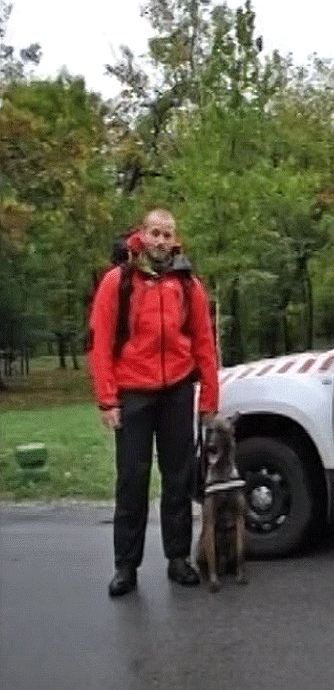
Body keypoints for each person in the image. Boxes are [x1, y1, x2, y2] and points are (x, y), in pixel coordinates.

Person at [88, 208, 219, 597]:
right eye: (154, 234)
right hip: (133, 393)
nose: (161, 241)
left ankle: (178, 559)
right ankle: (125, 566)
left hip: (177, 389)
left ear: (175, 240)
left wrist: (209, 397)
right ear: (141, 236)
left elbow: (204, 342)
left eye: (167, 235)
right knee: (132, 479)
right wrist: (106, 400)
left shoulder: (187, 284)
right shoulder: (118, 281)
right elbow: (99, 343)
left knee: (178, 477)